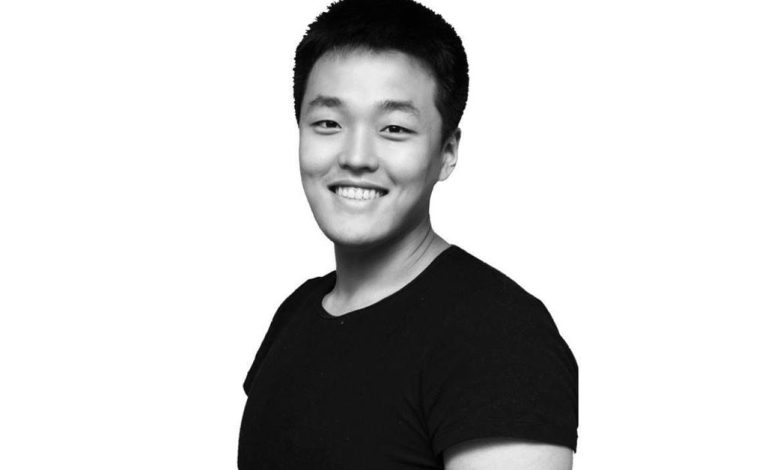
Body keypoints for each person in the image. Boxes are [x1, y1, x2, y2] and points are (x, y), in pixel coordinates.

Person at [237, 0, 578, 468]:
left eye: (394, 128)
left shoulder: (500, 337)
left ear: (447, 152)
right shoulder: (294, 315)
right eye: (328, 124)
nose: (356, 156)